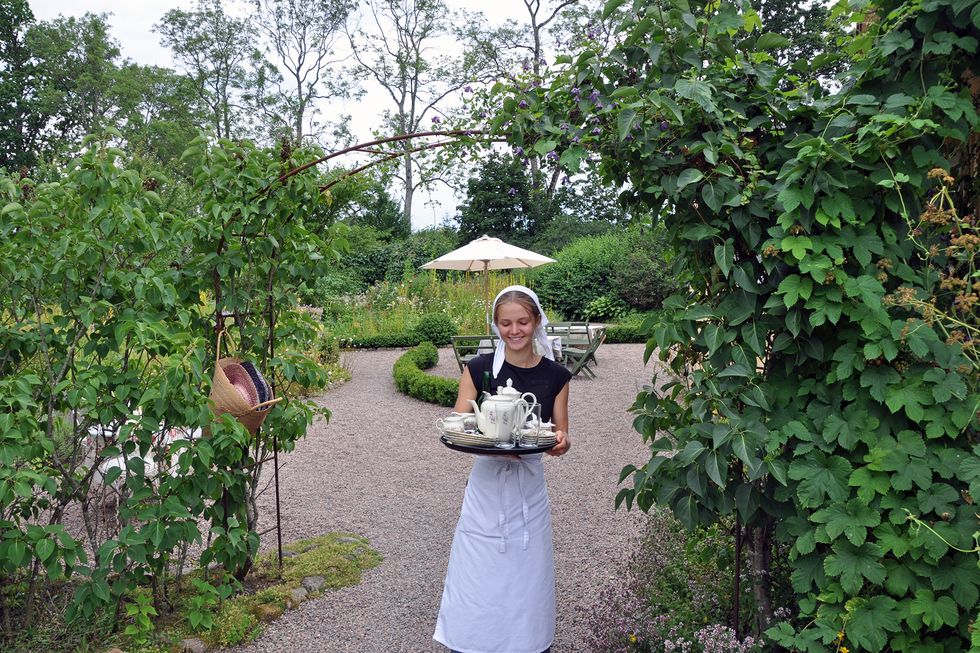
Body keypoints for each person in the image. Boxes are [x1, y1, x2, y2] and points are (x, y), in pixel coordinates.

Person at [434, 285, 572, 653]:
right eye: (506, 323)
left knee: (527, 571)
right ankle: (473, 640)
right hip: (486, 486)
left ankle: (528, 642)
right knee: (480, 566)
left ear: (537, 321)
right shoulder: (478, 370)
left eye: (523, 322)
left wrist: (561, 443)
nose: (515, 330)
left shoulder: (556, 376)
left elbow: (561, 432)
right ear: (496, 326)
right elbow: (457, 424)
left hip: (529, 486)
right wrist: (491, 445)